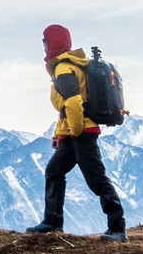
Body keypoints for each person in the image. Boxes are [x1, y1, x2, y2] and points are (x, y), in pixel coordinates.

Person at [26, 23, 127, 241]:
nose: (44, 47)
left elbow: (72, 103)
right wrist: (58, 135)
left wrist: (76, 130)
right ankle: (52, 222)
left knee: (96, 178)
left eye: (45, 42)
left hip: (81, 132)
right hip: (74, 131)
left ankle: (117, 227)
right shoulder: (77, 65)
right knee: (54, 171)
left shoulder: (63, 68)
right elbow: (65, 109)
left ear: (51, 43)